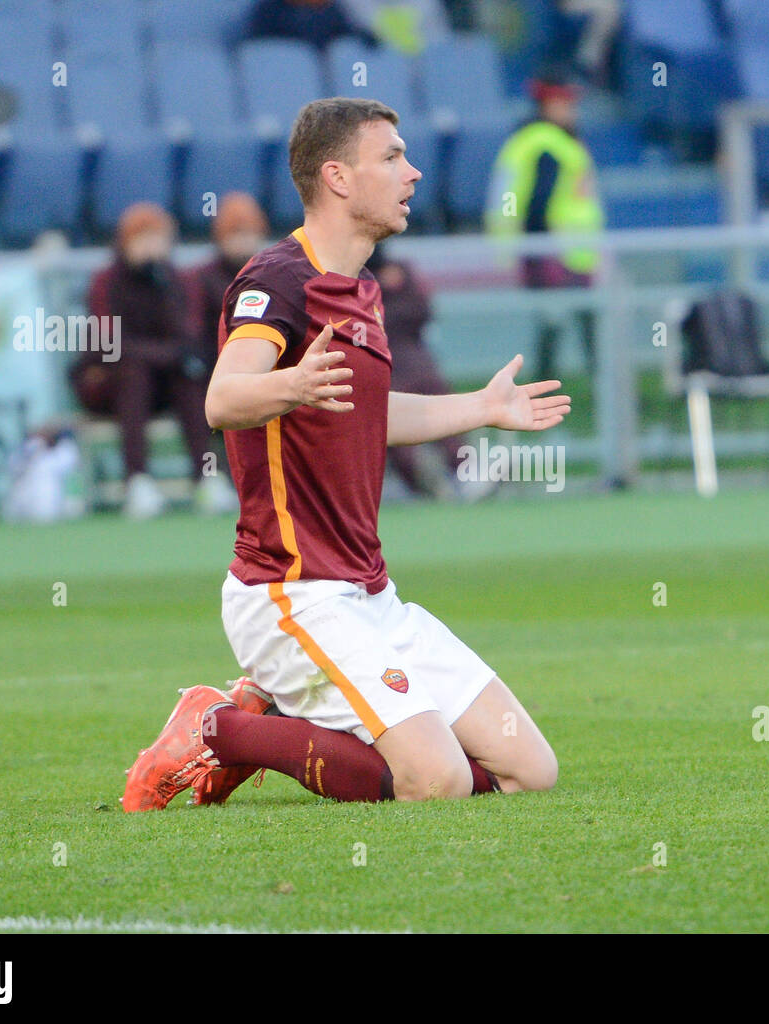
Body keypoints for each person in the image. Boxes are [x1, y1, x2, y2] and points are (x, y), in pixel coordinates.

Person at [121, 98, 568, 810]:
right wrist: (291, 382)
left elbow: (366, 417)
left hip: (369, 596)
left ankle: (290, 724)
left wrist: (481, 409)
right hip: (289, 593)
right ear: (337, 177)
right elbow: (222, 399)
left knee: (530, 771)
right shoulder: (277, 281)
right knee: (439, 782)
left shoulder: (360, 290)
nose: (413, 172)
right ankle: (220, 729)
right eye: (391, 157)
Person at [76, 202, 236, 518]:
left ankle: (206, 477)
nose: (151, 247)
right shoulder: (106, 282)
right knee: (134, 372)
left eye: (157, 239)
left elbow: (188, 338)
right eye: (143, 239)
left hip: (163, 382)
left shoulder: (176, 280)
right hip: (112, 383)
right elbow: (108, 345)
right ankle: (137, 480)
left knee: (189, 376)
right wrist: (164, 354)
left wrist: (162, 289)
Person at [486, 69, 604, 383]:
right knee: (557, 321)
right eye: (565, 103)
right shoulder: (546, 143)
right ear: (548, 105)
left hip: (566, 252)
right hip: (557, 252)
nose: (572, 111)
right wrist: (543, 250)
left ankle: (600, 392)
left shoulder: (537, 140)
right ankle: (553, 390)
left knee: (571, 320)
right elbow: (538, 202)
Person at [365, 243, 491, 500]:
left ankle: (464, 472)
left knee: (439, 408)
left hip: (412, 359)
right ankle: (422, 481)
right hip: (378, 365)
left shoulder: (402, 273)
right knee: (388, 423)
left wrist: (395, 288)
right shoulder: (350, 279)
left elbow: (421, 312)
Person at [192, 192, 271, 382]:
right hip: (213, 363)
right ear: (221, 237)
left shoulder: (271, 275)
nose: (244, 241)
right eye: (237, 234)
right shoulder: (201, 278)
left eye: (250, 233)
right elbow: (194, 334)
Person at [243, 0, 371, 50]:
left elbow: (345, 36)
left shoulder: (331, 11)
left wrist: (362, 37)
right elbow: (262, 48)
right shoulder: (271, 9)